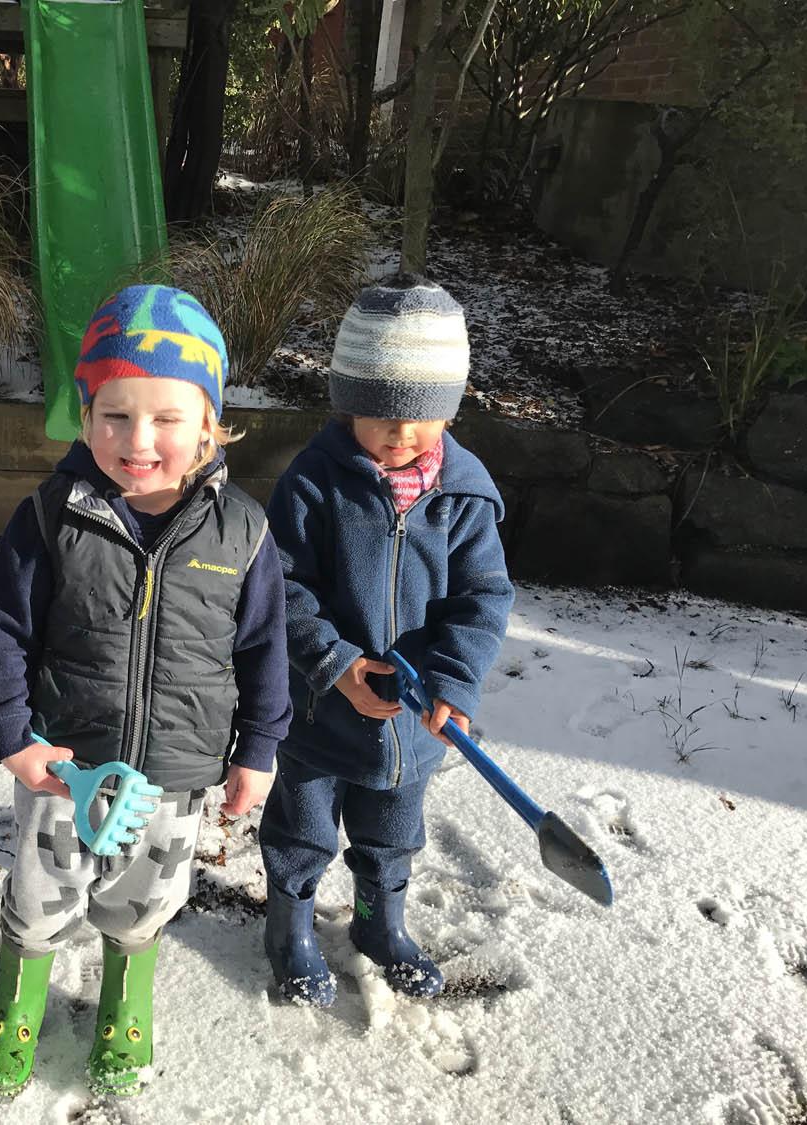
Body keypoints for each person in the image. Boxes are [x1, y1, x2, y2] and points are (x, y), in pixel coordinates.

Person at [0, 284, 290, 1097]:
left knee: (144, 899)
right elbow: (4, 628)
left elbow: (262, 650)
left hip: (175, 774)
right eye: (115, 414)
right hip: (62, 763)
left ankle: (125, 1001)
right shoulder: (52, 516)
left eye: (167, 419)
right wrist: (12, 731)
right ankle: (18, 1001)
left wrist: (258, 748)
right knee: (41, 895)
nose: (138, 440)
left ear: (210, 423)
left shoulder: (242, 532)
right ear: (85, 413)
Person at [259, 274, 514, 1006]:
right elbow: (280, 585)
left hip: (414, 720)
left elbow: (482, 597)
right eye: (380, 415)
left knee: (394, 831)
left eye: (421, 418)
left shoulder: (463, 497)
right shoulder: (315, 485)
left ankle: (379, 920)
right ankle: (291, 927)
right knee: (303, 827)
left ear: (448, 409)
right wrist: (333, 662)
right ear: (347, 405)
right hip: (318, 715)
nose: (401, 435)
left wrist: (455, 683)